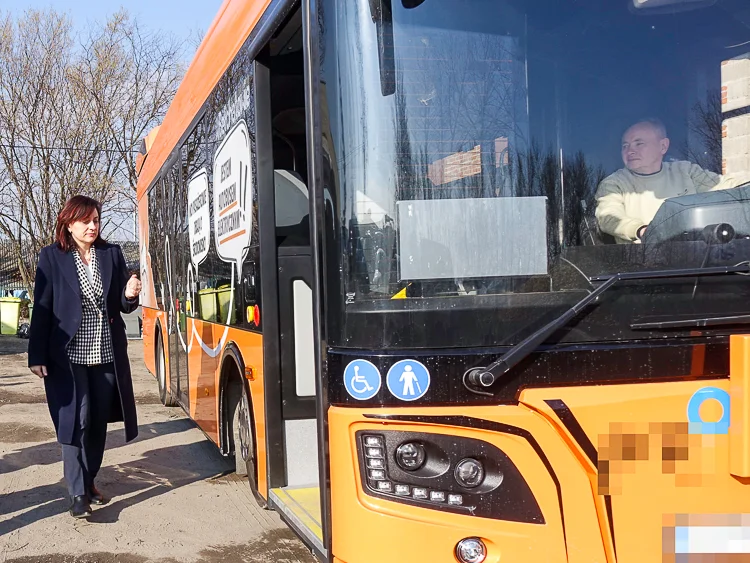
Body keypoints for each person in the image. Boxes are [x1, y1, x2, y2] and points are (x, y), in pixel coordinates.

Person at [27, 195, 142, 519]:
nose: (92, 226)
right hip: (68, 356)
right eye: (85, 221)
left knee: (97, 423)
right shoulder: (51, 257)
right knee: (75, 421)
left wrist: (129, 294)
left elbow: (121, 302)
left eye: (96, 220)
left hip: (105, 353)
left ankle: (89, 481)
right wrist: (36, 354)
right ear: (68, 222)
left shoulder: (111, 254)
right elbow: (43, 308)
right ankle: (77, 493)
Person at [594, 119, 728, 243]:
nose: (630, 151)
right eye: (625, 146)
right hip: (640, 264)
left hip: (697, 261)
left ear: (663, 146)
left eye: (639, 143)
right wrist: (641, 230)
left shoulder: (686, 171)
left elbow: (726, 186)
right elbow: (608, 217)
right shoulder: (613, 184)